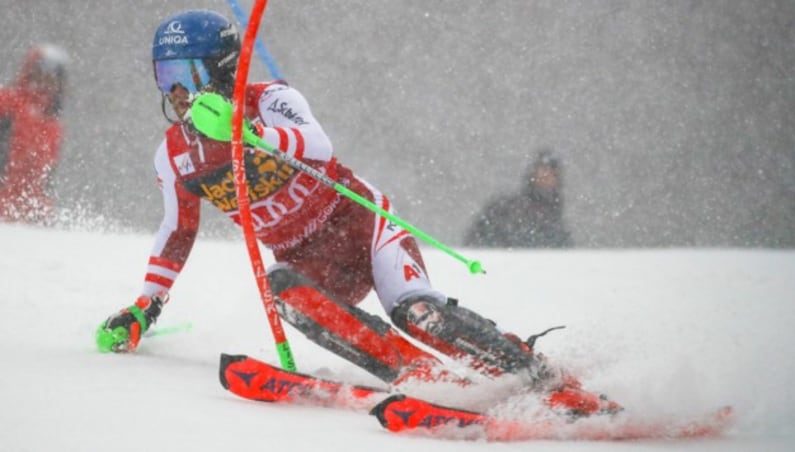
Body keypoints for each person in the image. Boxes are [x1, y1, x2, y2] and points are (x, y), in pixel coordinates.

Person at [96, 9, 615, 416]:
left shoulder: (273, 100)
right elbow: (176, 230)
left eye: (185, 74)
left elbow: (317, 145)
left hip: (365, 228)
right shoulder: (176, 155)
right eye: (165, 78)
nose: (177, 93)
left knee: (418, 313)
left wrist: (247, 133)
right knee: (284, 288)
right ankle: (415, 373)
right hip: (312, 259)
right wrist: (145, 307)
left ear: (221, 70)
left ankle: (537, 375)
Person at [0, 44, 68, 224]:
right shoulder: (6, 103)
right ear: (29, 72)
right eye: (41, 73)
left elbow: (46, 179)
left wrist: (43, 213)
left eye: (54, 77)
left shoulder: (54, 127)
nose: (47, 82)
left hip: (29, 216)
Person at [464, 150, 573, 248]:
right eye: (543, 172)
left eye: (552, 174)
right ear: (532, 175)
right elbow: (479, 241)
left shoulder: (556, 226)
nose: (546, 177)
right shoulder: (505, 209)